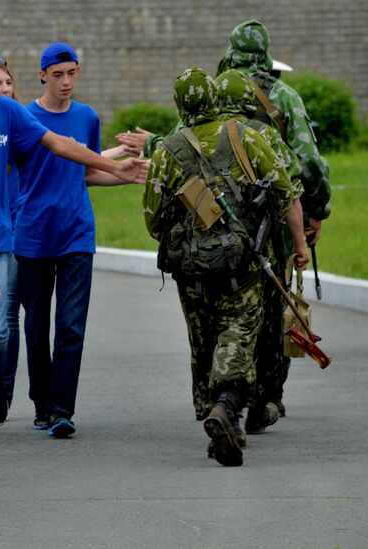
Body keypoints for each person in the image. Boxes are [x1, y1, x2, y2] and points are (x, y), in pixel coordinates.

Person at [0, 36, 148, 429]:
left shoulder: (9, 112)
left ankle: (43, 402)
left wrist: (115, 169)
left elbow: (60, 146)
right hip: (3, 237)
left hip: (38, 237)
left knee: (14, 330)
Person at [143, 68, 308, 466]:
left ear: (180, 105)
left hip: (191, 268)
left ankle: (218, 414)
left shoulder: (166, 150)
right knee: (239, 331)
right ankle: (228, 407)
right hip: (244, 259)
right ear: (214, 99)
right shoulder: (246, 136)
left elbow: (152, 220)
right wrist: (299, 245)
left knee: (203, 341)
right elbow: (286, 192)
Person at [15, 42, 139, 437]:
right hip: (33, 234)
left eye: (72, 73)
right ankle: (41, 402)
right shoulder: (25, 117)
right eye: (58, 75)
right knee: (36, 325)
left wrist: (124, 175)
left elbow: (86, 171)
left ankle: (61, 409)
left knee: (71, 325)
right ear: (42, 75)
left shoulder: (87, 117)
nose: (66, 82)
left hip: (77, 234)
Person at [217, 19, 331, 414]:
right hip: (277, 220)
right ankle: (266, 398)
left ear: (231, 51)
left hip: (220, 221)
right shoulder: (283, 95)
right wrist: (316, 211)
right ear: (265, 52)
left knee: (228, 309)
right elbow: (309, 163)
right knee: (273, 306)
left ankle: (227, 394)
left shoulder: (216, 93)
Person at [214, 68, 305, 436]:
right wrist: (300, 243)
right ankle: (260, 405)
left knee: (224, 329)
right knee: (266, 327)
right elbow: (290, 192)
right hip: (261, 250)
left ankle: (223, 403)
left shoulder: (194, 135)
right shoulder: (264, 134)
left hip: (211, 254)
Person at [0, 57, 22, 416]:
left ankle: (0, 384)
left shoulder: (15, 123)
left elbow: (55, 157)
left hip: (12, 233)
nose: (1, 87)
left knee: (4, 323)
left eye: (6, 82)